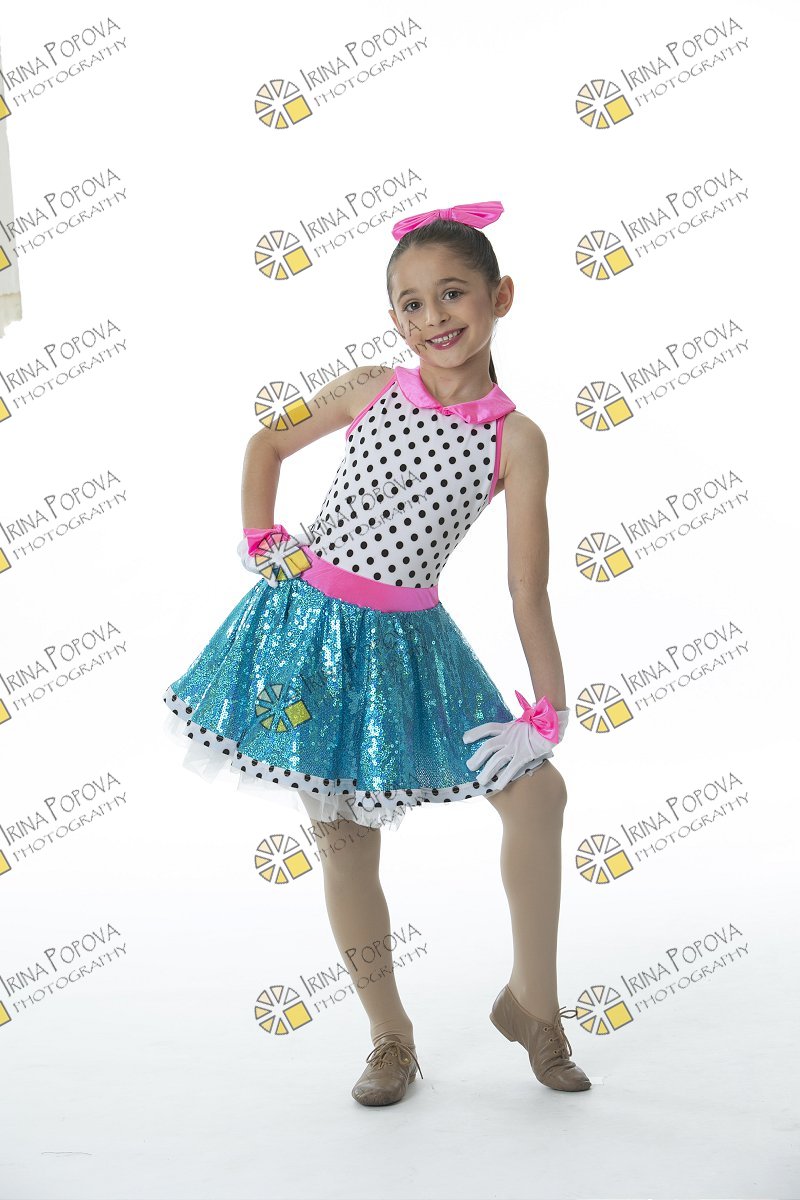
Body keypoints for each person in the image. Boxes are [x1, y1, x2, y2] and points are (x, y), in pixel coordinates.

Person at [161, 200, 591, 1106]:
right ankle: (389, 1036)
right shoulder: (368, 387)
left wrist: (550, 708)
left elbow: (526, 586)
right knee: (344, 841)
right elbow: (268, 441)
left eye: (453, 294)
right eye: (411, 303)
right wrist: (261, 535)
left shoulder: (516, 439)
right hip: (308, 632)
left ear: (501, 296)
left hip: (413, 645)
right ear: (393, 318)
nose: (434, 318)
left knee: (539, 793)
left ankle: (534, 1006)